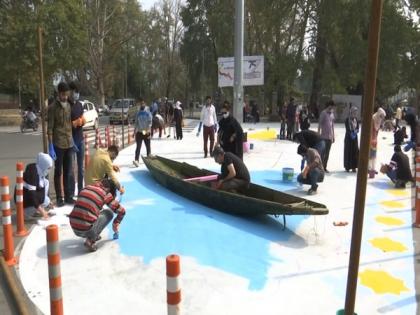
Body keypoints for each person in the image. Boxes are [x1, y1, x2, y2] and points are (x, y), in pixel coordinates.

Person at [69, 178, 126, 252]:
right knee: (109, 213)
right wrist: (116, 222)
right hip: (85, 228)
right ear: (109, 189)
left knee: (95, 211)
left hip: (74, 227)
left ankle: (92, 234)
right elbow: (122, 211)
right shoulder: (105, 193)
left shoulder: (87, 187)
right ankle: (90, 240)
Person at [48, 82, 75, 207]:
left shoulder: (69, 105)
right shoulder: (53, 107)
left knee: (68, 171)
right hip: (58, 144)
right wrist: (50, 146)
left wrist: (73, 141)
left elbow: (69, 124)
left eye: (67, 93)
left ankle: (69, 196)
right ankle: (59, 197)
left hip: (69, 143)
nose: (65, 96)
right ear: (59, 93)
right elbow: (50, 128)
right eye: (63, 94)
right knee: (58, 171)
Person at [18, 153, 54, 220]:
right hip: (23, 201)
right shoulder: (32, 174)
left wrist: (49, 202)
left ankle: (36, 209)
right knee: (45, 201)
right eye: (48, 168)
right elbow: (32, 194)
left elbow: (40, 186)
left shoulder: (38, 169)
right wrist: (42, 211)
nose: (49, 170)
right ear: (43, 165)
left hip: (27, 197)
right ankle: (25, 214)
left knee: (46, 183)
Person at [69, 81, 86, 194]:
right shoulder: (66, 106)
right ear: (70, 92)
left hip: (80, 139)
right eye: (75, 91)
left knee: (81, 168)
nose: (76, 94)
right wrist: (73, 123)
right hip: (70, 141)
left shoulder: (80, 104)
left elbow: (82, 117)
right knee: (71, 169)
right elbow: (64, 124)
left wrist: (82, 121)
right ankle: (70, 192)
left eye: (77, 92)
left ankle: (80, 190)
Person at [318, 100, 336, 172]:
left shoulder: (332, 114)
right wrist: (318, 133)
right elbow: (320, 123)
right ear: (330, 106)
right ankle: (320, 167)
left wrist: (333, 136)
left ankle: (324, 167)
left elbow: (332, 126)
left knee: (327, 153)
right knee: (323, 153)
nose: (333, 108)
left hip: (330, 137)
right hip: (324, 136)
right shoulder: (323, 113)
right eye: (332, 106)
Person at [133, 98, 152, 166]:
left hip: (145, 132)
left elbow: (150, 122)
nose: (142, 105)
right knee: (138, 147)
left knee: (148, 146)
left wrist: (148, 130)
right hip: (139, 132)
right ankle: (136, 160)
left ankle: (149, 159)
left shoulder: (148, 113)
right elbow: (136, 123)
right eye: (141, 104)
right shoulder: (138, 113)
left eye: (143, 104)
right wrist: (134, 131)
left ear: (145, 104)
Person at [368, 107, 386, 178]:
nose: (381, 118)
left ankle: (373, 168)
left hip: (375, 139)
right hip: (370, 139)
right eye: (381, 116)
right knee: (370, 155)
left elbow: (377, 130)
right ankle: (369, 168)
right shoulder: (373, 119)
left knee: (374, 155)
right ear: (379, 114)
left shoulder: (379, 119)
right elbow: (373, 129)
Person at [344, 106, 359, 172]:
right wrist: (351, 133)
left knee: (355, 152)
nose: (355, 113)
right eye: (354, 112)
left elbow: (358, 128)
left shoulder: (356, 119)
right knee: (348, 151)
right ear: (351, 112)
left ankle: (354, 167)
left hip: (355, 138)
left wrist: (356, 131)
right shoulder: (347, 119)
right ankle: (347, 166)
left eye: (356, 112)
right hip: (348, 138)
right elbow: (347, 128)